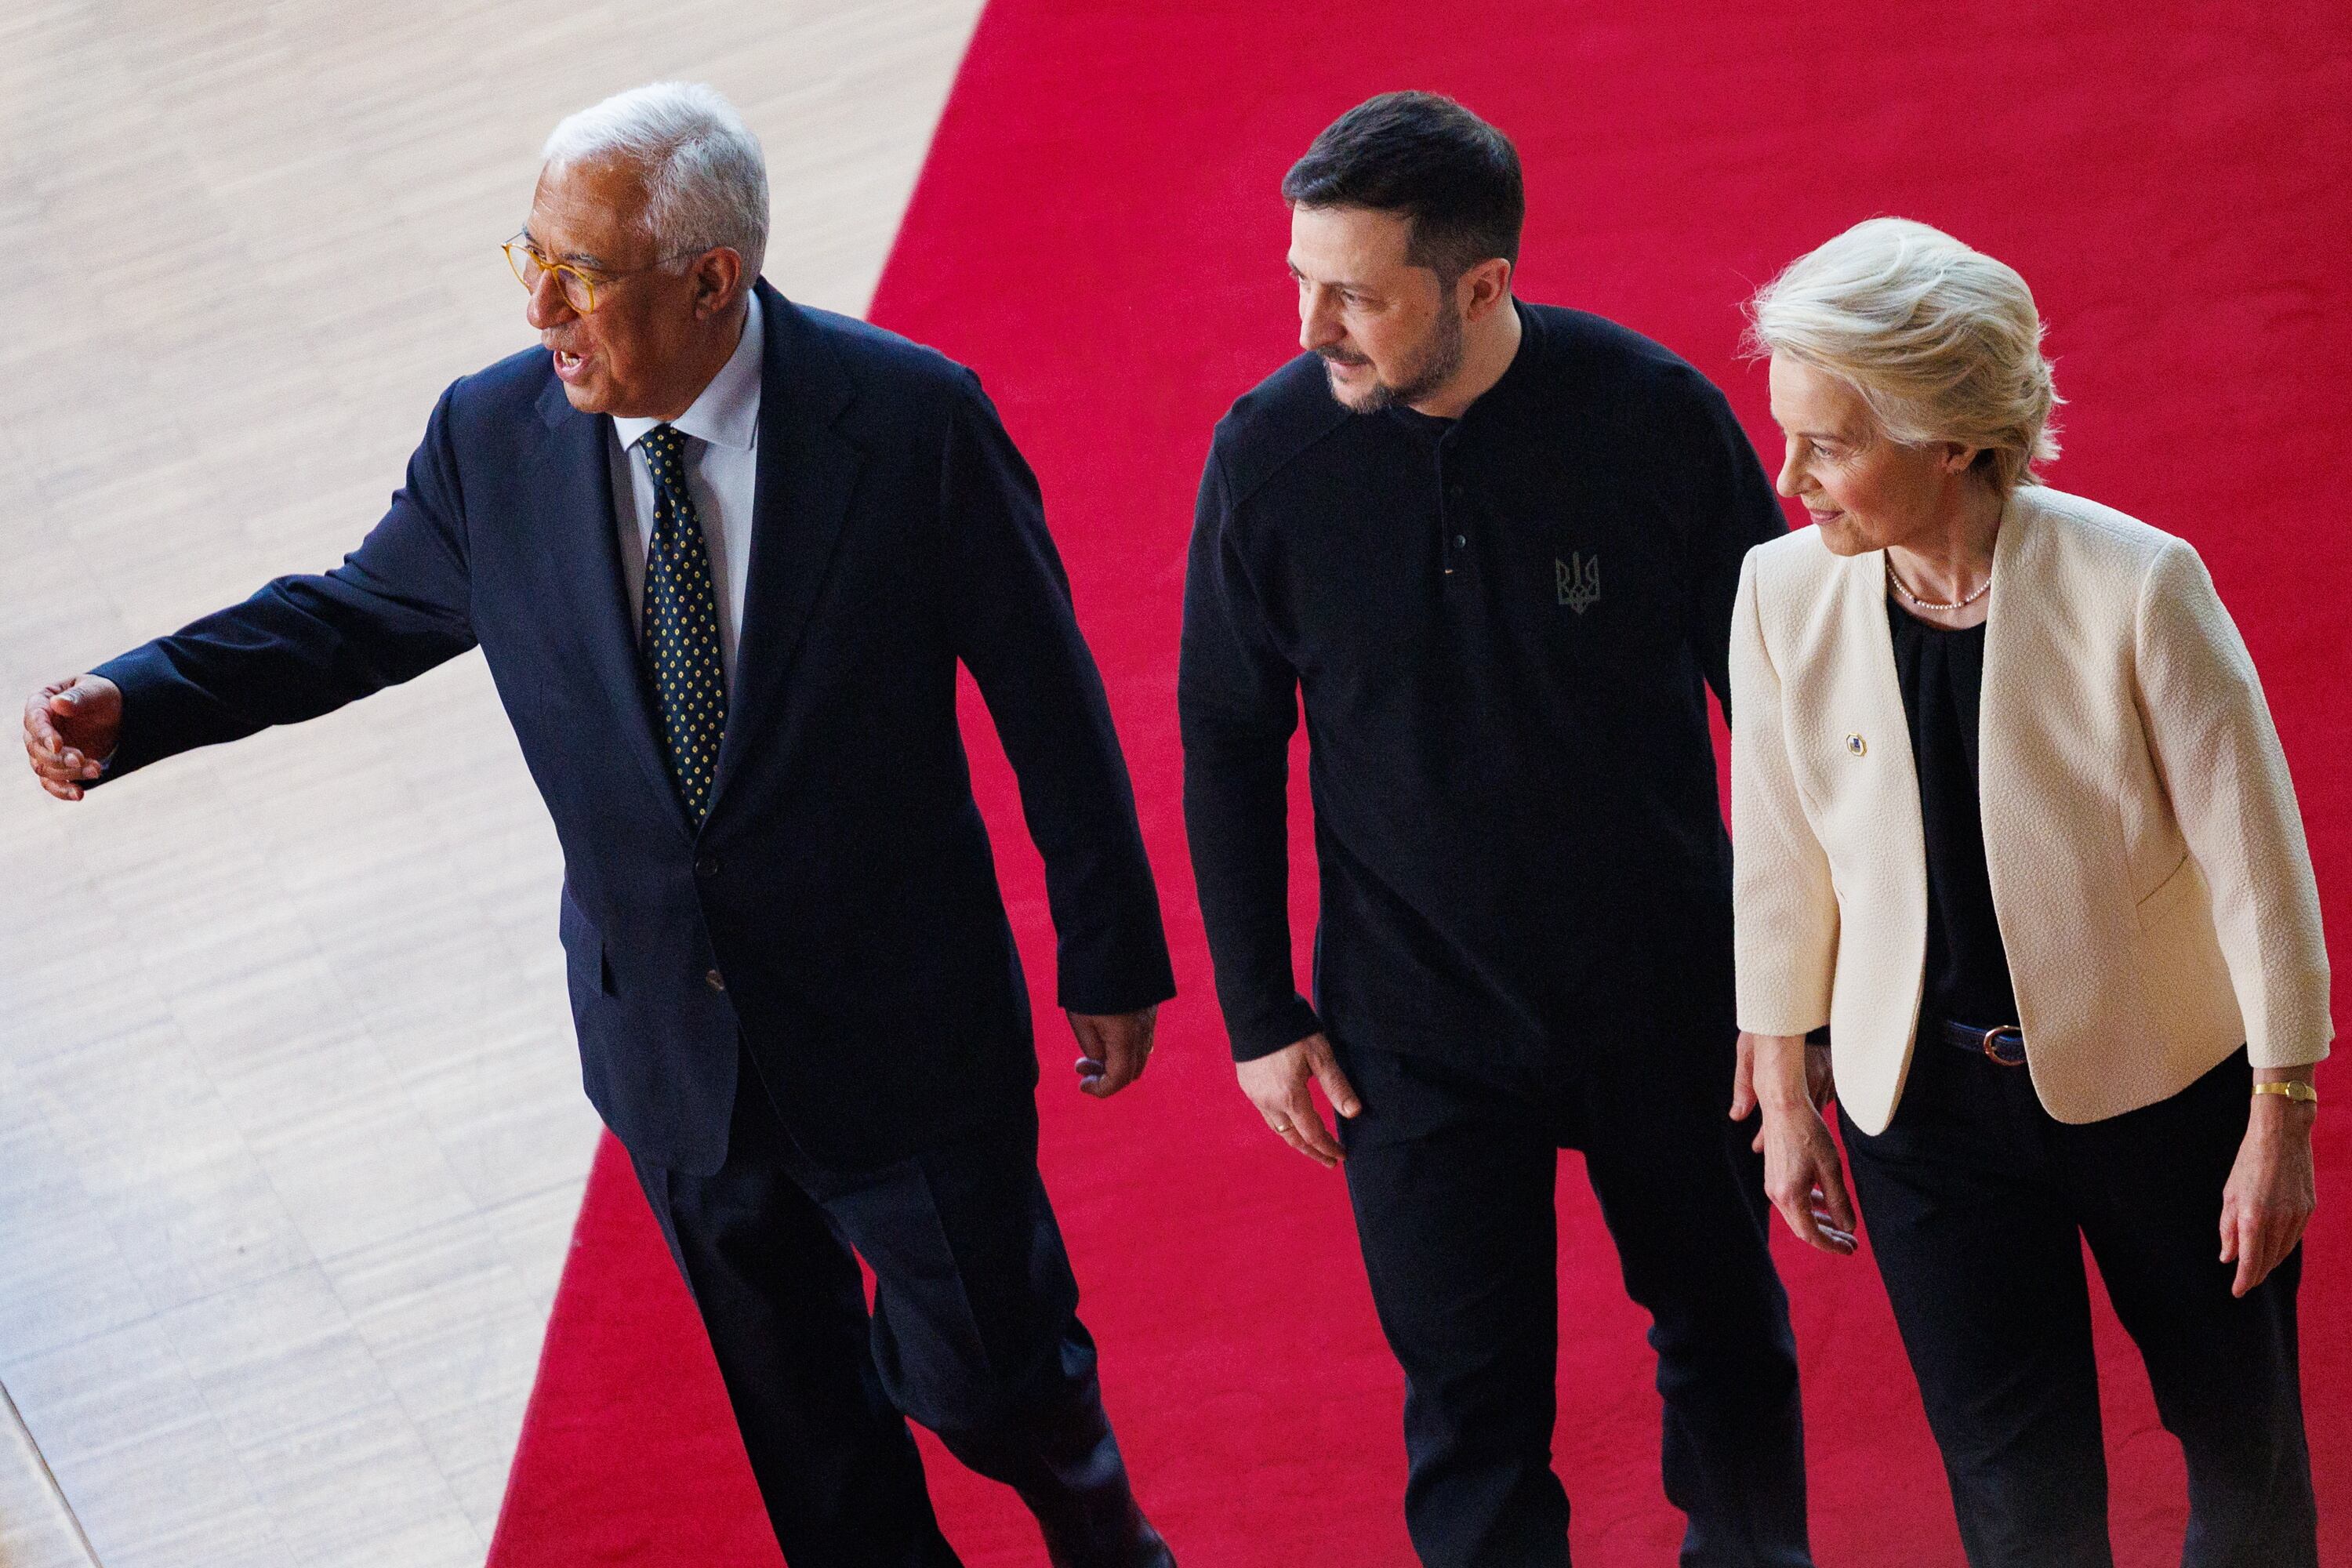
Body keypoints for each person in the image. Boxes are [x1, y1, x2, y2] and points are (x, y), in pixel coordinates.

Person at [20, 82, 1178, 1568]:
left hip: (901, 1038)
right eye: (532, 256)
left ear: (711, 280)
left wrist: (1109, 951)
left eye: (579, 273)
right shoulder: (492, 438)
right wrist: (143, 698)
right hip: (674, 1050)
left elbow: (1051, 703)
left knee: (998, 1389)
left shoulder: (910, 422)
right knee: (819, 1461)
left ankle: (1111, 1544)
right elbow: (354, 615)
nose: (539, 309)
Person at [1180, 92, 1813, 1567]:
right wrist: (1261, 1013)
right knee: (1471, 1411)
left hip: (1670, 999)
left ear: (1481, 287)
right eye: (1301, 280)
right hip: (1411, 1033)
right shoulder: (1268, 458)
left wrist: (1794, 990)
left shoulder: (1654, 419)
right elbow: (1228, 741)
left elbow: (1787, 719)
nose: (1311, 327)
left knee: (1726, 1335)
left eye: (1354, 295)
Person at [1730, 217, 2330, 1568]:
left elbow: (2259, 866)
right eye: (1788, 436)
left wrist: (2281, 1116)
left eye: (1829, 444)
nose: (1789, 478)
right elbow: (1778, 853)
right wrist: (1784, 1089)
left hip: (2160, 1096)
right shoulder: (1779, 592)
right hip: (1922, 1114)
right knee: (2016, 1500)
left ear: (1949, 438)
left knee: (2243, 1451)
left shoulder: (2140, 584)